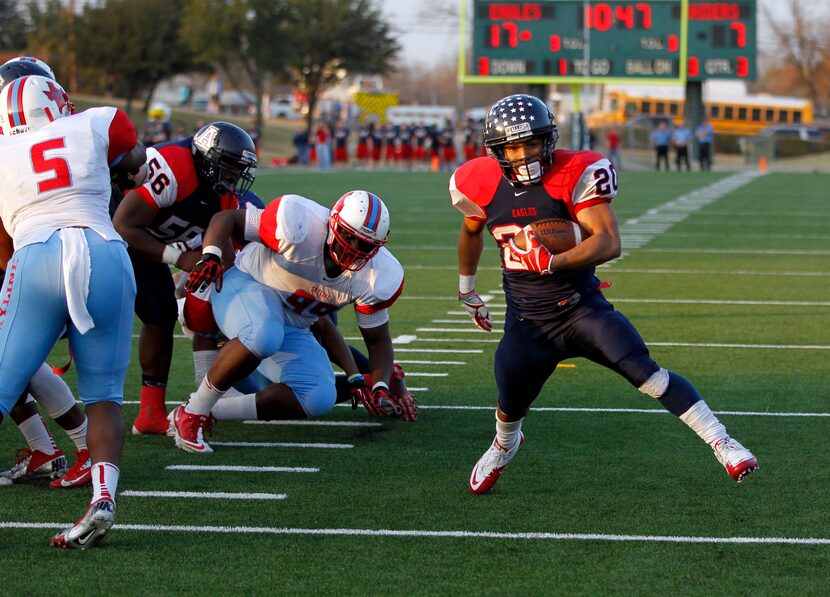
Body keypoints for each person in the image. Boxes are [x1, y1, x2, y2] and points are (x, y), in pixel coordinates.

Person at [449, 94, 758, 495]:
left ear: (550, 139)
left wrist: (552, 263)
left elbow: (609, 242)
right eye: (513, 146)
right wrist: (467, 288)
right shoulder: (477, 181)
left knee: (646, 372)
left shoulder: (574, 172)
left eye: (532, 143)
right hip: (527, 320)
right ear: (496, 150)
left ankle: (723, 441)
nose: (524, 155)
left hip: (581, 310)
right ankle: (504, 446)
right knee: (510, 398)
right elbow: (471, 230)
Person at [0, 75, 144, 547]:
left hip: (37, 253)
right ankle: (103, 498)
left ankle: (49, 450)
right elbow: (136, 159)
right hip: (104, 250)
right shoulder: (97, 123)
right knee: (104, 395)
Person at [171, 190, 416, 454]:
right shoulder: (298, 223)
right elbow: (227, 217)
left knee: (319, 396)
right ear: (333, 224)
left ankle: (209, 409)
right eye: (349, 237)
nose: (353, 249)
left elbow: (378, 340)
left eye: (364, 245)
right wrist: (212, 255)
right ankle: (193, 413)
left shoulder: (378, 276)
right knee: (264, 334)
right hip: (246, 285)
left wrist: (378, 383)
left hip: (294, 323)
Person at [112, 122, 257, 436]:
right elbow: (123, 226)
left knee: (162, 312)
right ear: (208, 158)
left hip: (152, 236)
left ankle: (150, 412)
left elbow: (226, 254)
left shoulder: (223, 197)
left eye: (239, 169)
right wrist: (180, 259)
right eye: (229, 167)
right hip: (113, 227)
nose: (234, 177)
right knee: (145, 311)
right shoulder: (173, 166)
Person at [0, 59, 92, 489]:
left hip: (28, 260)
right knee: (23, 363)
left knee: (18, 361)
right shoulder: (68, 135)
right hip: (58, 256)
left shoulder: (14, 145)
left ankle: (83, 446)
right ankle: (50, 448)